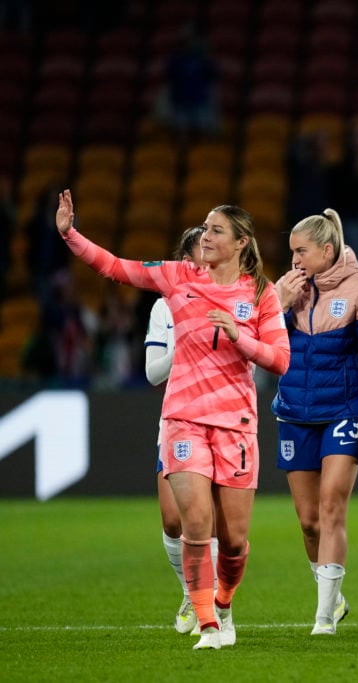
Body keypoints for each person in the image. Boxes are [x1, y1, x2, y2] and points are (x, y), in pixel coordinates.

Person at [55, 190, 290, 651]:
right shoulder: (179, 276)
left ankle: (223, 605)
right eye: (204, 227)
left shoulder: (260, 293)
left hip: (236, 424)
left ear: (241, 242)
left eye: (216, 229)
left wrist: (240, 338)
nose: (205, 234)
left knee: (235, 541)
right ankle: (206, 624)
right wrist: (70, 234)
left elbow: (280, 360)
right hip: (183, 418)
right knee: (195, 525)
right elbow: (115, 267)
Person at [272, 209, 358, 636]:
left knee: (330, 508)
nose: (295, 261)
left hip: (344, 413)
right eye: (291, 253)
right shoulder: (286, 294)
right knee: (308, 521)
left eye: (301, 252)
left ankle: (323, 617)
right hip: (294, 414)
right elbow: (258, 345)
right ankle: (334, 597)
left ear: (327, 250)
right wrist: (277, 306)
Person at [143, 225, 219, 636]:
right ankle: (191, 592)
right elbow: (153, 372)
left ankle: (214, 604)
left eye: (207, 256)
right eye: (193, 258)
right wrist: (186, 339)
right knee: (173, 520)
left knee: (213, 521)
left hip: (222, 416)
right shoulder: (164, 308)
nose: (200, 264)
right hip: (178, 416)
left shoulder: (232, 298)